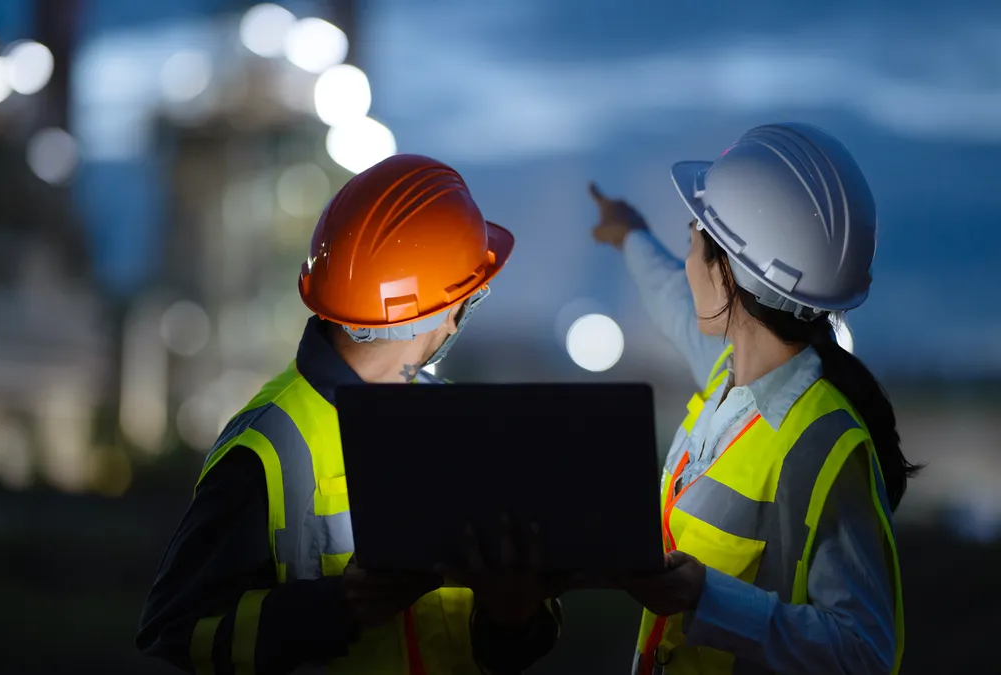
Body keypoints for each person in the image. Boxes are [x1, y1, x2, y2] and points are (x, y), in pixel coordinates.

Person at [138, 153, 563, 675]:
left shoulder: (461, 423)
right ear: (453, 310)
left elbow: (518, 641)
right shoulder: (267, 447)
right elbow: (177, 631)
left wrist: (513, 616)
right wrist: (340, 607)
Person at [586, 122, 920, 675]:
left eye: (693, 240)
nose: (687, 259)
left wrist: (706, 599)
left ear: (728, 277)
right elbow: (672, 295)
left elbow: (864, 653)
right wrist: (630, 234)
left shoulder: (823, 445)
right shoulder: (732, 371)